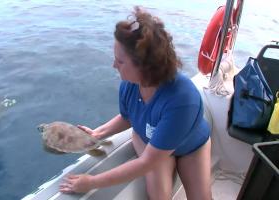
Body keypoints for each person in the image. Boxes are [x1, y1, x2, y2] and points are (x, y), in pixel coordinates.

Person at [60, 7, 211, 200]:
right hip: (150, 141)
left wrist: (91, 182)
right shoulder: (130, 84)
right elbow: (128, 117)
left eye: (120, 61)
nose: (114, 65)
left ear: (145, 66)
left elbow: (146, 163)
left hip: (190, 146)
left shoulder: (183, 100)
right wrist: (98, 134)